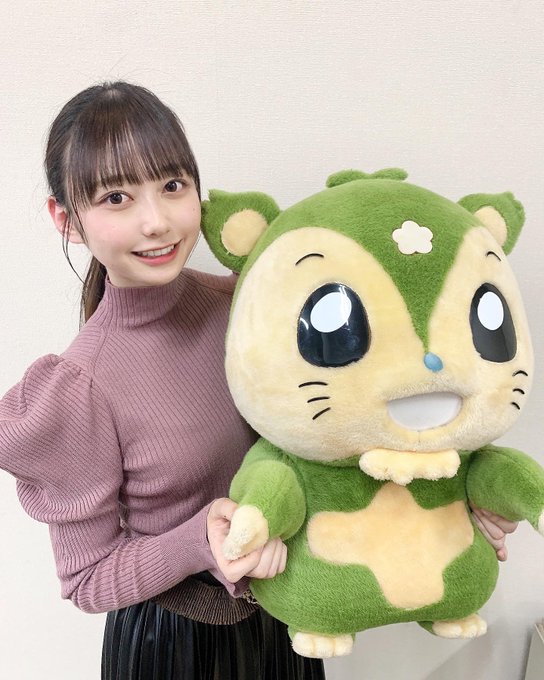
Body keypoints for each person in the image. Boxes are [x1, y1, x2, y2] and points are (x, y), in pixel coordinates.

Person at [0, 81, 517, 680]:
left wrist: (457, 503)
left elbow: (347, 431)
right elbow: (88, 579)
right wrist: (200, 541)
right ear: (66, 219)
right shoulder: (80, 387)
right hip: (177, 646)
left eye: (173, 186)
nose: (156, 221)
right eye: (117, 197)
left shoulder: (257, 307)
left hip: (293, 620)